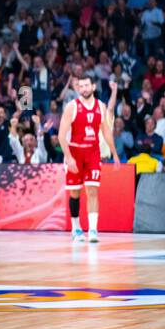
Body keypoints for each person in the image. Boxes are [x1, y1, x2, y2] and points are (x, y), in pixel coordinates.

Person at [59, 75, 105, 242]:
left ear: (93, 86)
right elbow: (60, 136)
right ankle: (75, 228)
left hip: (92, 152)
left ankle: (93, 230)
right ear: (78, 88)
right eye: (81, 86)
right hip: (74, 152)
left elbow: (105, 130)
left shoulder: (100, 106)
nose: (84, 88)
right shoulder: (72, 107)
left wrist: (110, 151)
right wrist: (68, 157)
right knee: (75, 193)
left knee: (93, 190)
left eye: (87, 85)